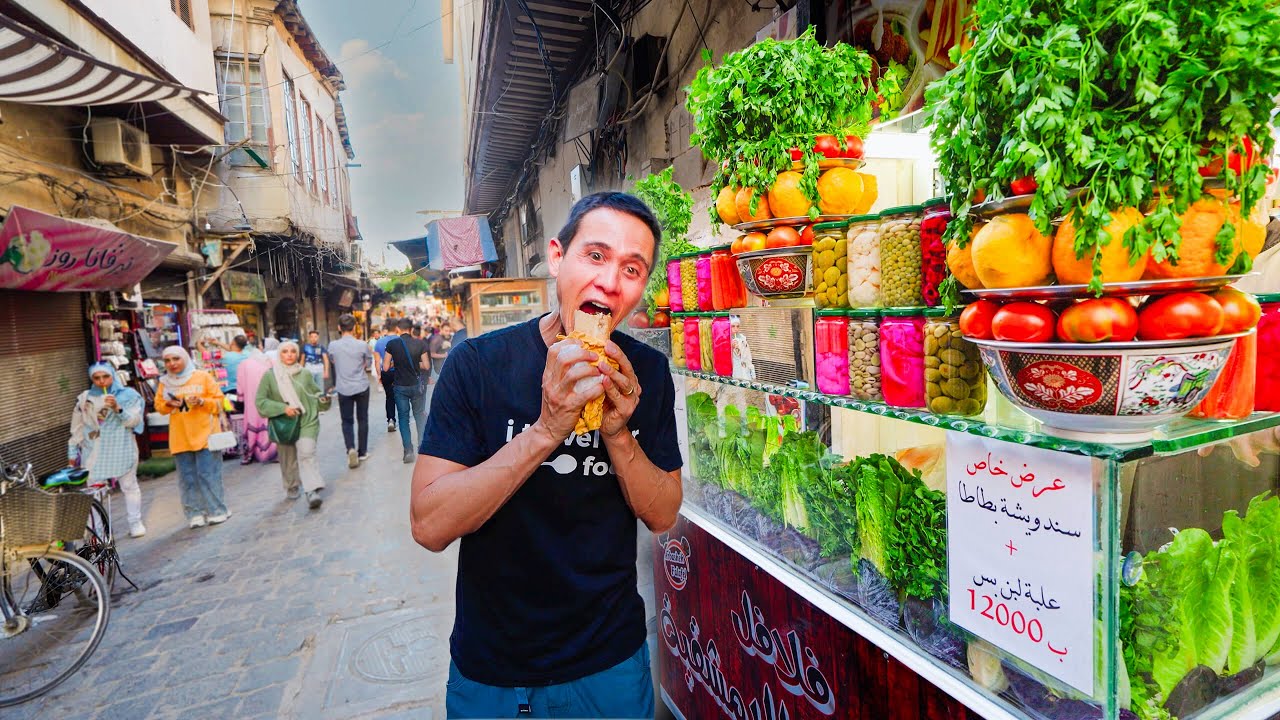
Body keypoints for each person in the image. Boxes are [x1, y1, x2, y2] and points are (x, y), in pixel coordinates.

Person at [409, 192, 682, 719]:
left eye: (632, 268)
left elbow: (664, 512)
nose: (609, 281)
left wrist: (620, 434)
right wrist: (547, 429)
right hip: (495, 671)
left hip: (610, 666)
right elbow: (429, 524)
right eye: (596, 256)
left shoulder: (645, 373)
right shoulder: (477, 365)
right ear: (558, 258)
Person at [68, 363, 147, 538]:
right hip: (94, 451)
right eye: (97, 378)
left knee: (129, 486)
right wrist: (72, 454)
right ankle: (99, 531)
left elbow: (133, 421)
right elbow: (78, 428)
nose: (102, 381)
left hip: (122, 447)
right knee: (95, 492)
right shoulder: (84, 399)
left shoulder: (129, 395)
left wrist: (118, 408)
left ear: (113, 376)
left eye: (106, 377)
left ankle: (135, 522)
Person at [156, 346, 230, 529]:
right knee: (187, 478)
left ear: (185, 358)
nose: (172, 364)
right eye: (167, 361)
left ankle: (216, 510)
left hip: (206, 434)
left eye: (176, 359)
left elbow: (221, 402)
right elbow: (159, 407)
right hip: (180, 437)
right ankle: (194, 513)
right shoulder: (164, 382)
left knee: (209, 474)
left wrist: (202, 402)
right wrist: (168, 403)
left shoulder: (202, 377)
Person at [255, 341, 328, 509]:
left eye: (292, 351)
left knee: (307, 453)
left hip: (306, 420)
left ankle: (311, 490)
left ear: (297, 354)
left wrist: (324, 400)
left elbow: (315, 394)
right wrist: (282, 408)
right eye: (285, 352)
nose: (289, 355)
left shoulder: (305, 374)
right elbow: (260, 401)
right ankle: (292, 485)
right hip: (284, 423)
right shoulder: (270, 376)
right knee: (288, 460)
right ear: (279, 355)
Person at [329, 313, 373, 467]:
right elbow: (367, 363)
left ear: (339, 328)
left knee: (346, 421)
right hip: (361, 386)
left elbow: (333, 360)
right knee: (362, 419)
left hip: (343, 388)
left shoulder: (333, 346)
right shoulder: (362, 345)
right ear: (354, 327)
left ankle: (350, 449)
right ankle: (362, 452)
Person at [384, 317, 429, 464]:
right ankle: (422, 448)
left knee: (403, 418)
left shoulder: (392, 344)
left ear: (398, 329)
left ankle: (408, 451)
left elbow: (385, 368)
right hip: (416, 386)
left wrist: (395, 363)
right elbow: (427, 366)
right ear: (411, 329)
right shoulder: (419, 343)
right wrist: (416, 364)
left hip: (400, 387)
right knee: (419, 416)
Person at [236, 350, 278, 465]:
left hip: (251, 400)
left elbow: (240, 384)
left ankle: (250, 453)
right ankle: (272, 453)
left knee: (252, 423)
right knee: (268, 423)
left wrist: (240, 398)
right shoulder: (271, 362)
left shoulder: (243, 364)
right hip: (269, 399)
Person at [374, 326, 398, 433]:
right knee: (401, 396)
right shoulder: (400, 340)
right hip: (399, 371)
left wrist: (379, 375)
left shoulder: (379, 342)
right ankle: (403, 420)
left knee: (389, 396)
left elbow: (377, 361)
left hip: (386, 372)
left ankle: (391, 419)